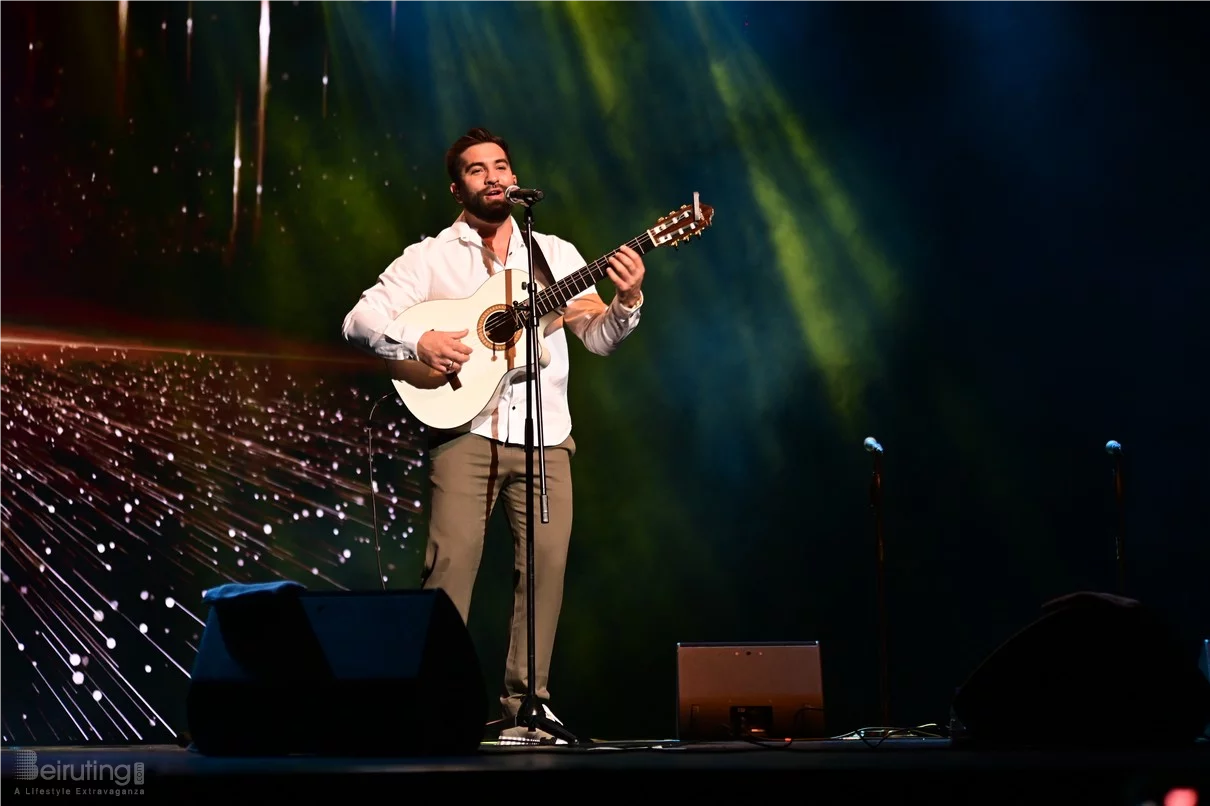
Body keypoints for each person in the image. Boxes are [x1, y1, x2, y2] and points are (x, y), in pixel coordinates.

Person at [340, 128, 645, 742]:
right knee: (450, 566)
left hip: (545, 434)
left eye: (501, 165)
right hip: (465, 430)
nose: (493, 176)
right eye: (477, 170)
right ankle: (433, 705)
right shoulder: (430, 257)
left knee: (546, 568)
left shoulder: (554, 255)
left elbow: (597, 337)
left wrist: (627, 300)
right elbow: (358, 320)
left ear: (515, 178)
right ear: (458, 188)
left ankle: (527, 707)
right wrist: (418, 340)